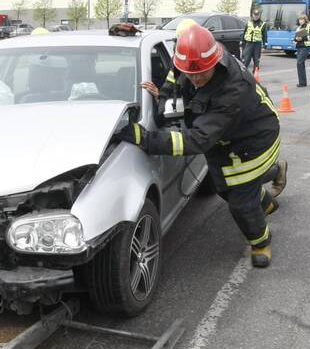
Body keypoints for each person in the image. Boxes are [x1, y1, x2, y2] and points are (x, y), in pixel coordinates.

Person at [121, 23, 287, 268]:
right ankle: (264, 201)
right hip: (225, 139)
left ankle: (261, 240)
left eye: (202, 73)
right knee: (224, 186)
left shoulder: (232, 91)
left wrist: (147, 139)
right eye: (190, 72)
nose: (196, 78)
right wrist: (162, 99)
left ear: (215, 62)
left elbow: (198, 139)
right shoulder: (193, 59)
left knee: (240, 202)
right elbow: (175, 77)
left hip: (255, 141)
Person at [241, 7, 268, 73]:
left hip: (257, 45)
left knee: (256, 62)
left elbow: (265, 36)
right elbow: (244, 33)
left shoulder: (263, 24)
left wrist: (265, 46)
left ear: (259, 15)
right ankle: (244, 77)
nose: (256, 16)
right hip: (248, 44)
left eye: (257, 15)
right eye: (254, 15)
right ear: (252, 15)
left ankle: (255, 78)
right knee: (245, 61)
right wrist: (242, 44)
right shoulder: (248, 23)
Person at [293, 13, 310, 87]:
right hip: (299, 47)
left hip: (305, 46)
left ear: (305, 20)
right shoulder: (298, 28)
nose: (300, 21)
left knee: (299, 63)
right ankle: (303, 82)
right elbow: (294, 38)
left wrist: (302, 38)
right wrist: (296, 39)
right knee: (300, 64)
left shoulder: (309, 26)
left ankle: (302, 83)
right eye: (299, 20)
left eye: (302, 19)